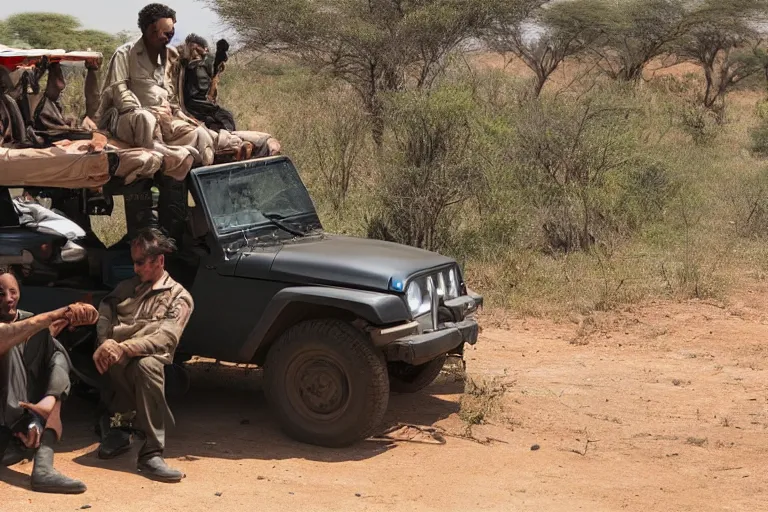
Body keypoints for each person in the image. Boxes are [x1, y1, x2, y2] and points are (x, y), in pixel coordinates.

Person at [95, 3, 281, 165]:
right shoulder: (124, 54)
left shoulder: (168, 57)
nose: (170, 37)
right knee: (146, 119)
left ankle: (251, 142)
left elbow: (171, 95)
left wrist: (176, 112)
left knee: (199, 133)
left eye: (172, 32)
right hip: (131, 119)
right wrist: (151, 110)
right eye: (165, 33)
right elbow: (120, 94)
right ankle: (158, 150)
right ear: (150, 30)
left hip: (164, 118)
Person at [94, 227, 193, 483]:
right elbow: (105, 307)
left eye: (140, 263)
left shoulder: (179, 297)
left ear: (159, 261)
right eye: (134, 262)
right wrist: (104, 342)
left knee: (145, 366)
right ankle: (120, 426)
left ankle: (151, 452)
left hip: (152, 361)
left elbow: (166, 338)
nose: (135, 269)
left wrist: (123, 347)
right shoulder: (128, 287)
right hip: (117, 358)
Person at [0, 268, 99, 494]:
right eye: (0, 293)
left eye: (12, 292)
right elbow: (11, 334)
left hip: (19, 421)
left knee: (56, 351)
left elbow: (46, 329)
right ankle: (29, 422)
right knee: (14, 342)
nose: (8, 299)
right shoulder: (17, 327)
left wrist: (78, 314)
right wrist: (59, 313)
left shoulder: (28, 319)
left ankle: (43, 463)